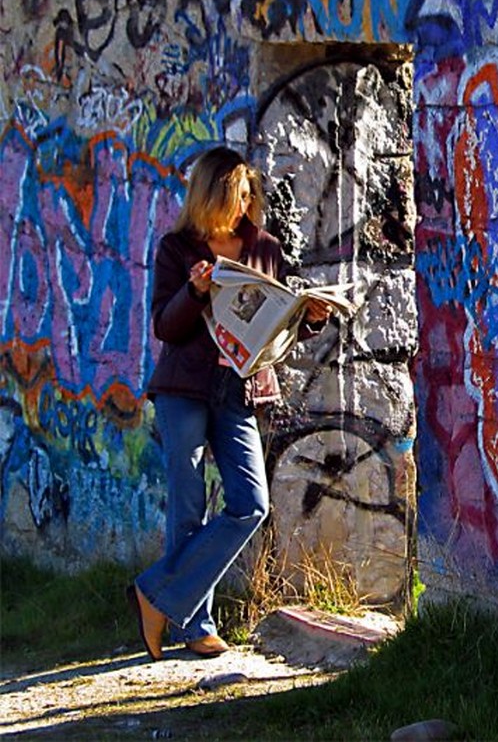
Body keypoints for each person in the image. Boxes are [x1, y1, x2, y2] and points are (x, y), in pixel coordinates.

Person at [130, 145, 330, 660]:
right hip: (184, 389)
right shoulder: (176, 249)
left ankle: (154, 593)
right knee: (189, 506)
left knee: (250, 503)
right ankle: (194, 625)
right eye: (235, 195)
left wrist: (308, 318)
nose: (244, 204)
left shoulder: (263, 246)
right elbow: (164, 327)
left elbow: (274, 324)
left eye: (248, 195)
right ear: (210, 195)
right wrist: (195, 292)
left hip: (240, 389)